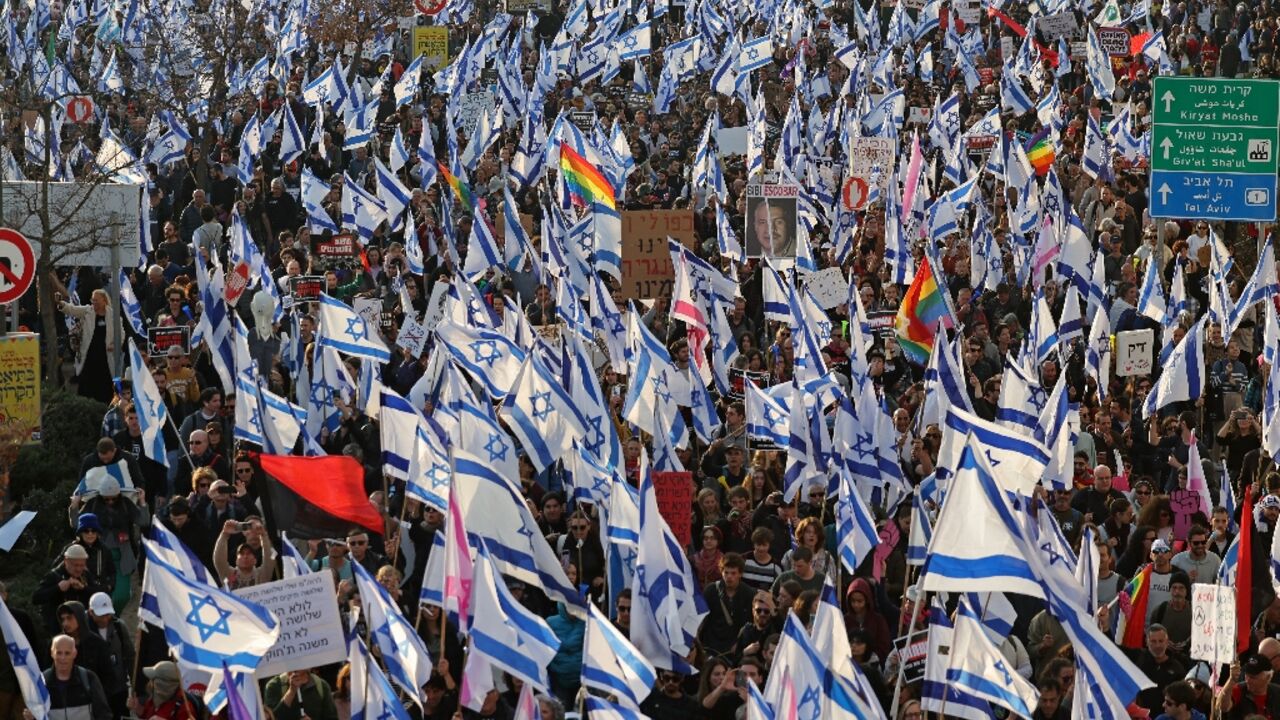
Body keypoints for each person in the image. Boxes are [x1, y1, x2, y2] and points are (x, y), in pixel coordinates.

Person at [54, 286, 117, 403]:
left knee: (104, 385)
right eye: (92, 300)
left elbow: (120, 333)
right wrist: (60, 303)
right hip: (89, 355)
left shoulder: (112, 315)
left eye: (96, 300)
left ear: (104, 300)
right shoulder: (88, 310)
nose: (94, 303)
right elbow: (72, 309)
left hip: (105, 356)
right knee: (87, 383)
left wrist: (115, 344)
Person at [27, 635, 111, 720]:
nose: (63, 658)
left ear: (74, 654)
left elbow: (103, 714)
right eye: (59, 653)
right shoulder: (42, 682)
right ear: (52, 653)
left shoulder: (88, 678)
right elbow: (38, 714)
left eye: (67, 653)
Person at [32, 545, 105, 635]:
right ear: (66, 561)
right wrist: (58, 588)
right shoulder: (53, 576)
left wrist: (84, 588)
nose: (78, 569)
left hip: (83, 627)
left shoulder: (85, 575)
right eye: (75, 565)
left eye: (81, 565)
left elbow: (101, 594)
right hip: (60, 628)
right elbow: (36, 598)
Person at [86, 593, 133, 720]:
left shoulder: (119, 627)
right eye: (101, 615)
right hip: (95, 692)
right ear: (91, 612)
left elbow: (130, 656)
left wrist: (136, 687)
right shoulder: (84, 631)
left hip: (119, 689)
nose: (105, 618)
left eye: (108, 614)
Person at [698, 554, 754, 659]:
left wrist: (739, 644)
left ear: (740, 574)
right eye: (726, 572)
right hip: (711, 646)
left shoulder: (748, 593)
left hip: (734, 648)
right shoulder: (711, 591)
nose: (729, 577)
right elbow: (702, 619)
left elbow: (749, 623)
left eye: (733, 573)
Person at [1219, 653, 1280, 719]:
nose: (1247, 680)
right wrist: (1231, 680)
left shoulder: (1277, 693)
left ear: (1268, 677)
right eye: (1246, 675)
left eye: (1253, 677)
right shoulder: (1239, 690)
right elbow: (1224, 707)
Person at [263, 669, 339, 720]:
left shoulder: (321, 685)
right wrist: (291, 691)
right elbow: (271, 717)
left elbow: (332, 717)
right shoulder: (274, 686)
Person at [127, 662, 192, 720]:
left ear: (163, 684)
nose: (150, 682)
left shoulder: (185, 707)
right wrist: (137, 707)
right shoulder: (155, 696)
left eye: (154, 679)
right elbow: (146, 715)